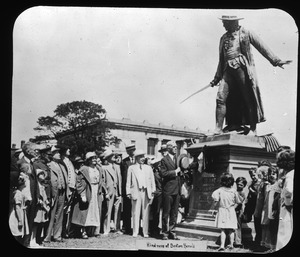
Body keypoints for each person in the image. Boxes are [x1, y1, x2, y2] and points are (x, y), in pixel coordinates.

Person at [210, 15, 292, 135]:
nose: (223, 25)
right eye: (223, 23)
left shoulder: (246, 33)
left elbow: (261, 46)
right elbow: (222, 60)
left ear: (233, 22)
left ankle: (253, 129)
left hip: (242, 67)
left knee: (249, 97)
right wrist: (216, 78)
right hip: (227, 70)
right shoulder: (223, 38)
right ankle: (218, 129)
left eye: (225, 23)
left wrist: (275, 60)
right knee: (220, 98)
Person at [71, 152, 106, 239]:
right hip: (88, 191)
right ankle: (83, 231)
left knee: (95, 211)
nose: (94, 160)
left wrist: (102, 193)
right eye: (92, 158)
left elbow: (101, 182)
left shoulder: (99, 169)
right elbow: (79, 182)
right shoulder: (84, 169)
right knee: (85, 211)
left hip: (96, 191)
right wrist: (82, 194)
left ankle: (93, 231)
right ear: (88, 160)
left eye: (95, 158)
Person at [126, 149, 156, 237]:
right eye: (140, 157)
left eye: (143, 157)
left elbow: (152, 180)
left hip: (146, 191)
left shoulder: (148, 168)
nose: (142, 159)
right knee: (135, 212)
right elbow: (128, 181)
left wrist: (153, 191)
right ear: (136, 158)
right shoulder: (131, 168)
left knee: (146, 213)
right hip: (136, 191)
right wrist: (128, 192)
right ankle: (135, 231)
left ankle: (145, 232)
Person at [210, 172, 241, 251]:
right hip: (231, 211)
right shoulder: (234, 191)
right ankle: (231, 244)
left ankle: (222, 245)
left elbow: (215, 201)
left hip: (222, 210)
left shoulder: (219, 191)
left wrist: (213, 209)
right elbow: (238, 202)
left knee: (223, 229)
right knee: (231, 229)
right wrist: (233, 208)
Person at [43, 145, 68, 243]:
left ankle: (57, 235)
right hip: (54, 192)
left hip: (62, 191)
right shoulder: (49, 165)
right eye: (56, 153)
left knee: (60, 214)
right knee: (52, 214)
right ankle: (47, 236)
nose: (58, 154)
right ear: (52, 155)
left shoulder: (61, 165)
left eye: (59, 152)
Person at [17, 141, 38, 247]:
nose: (36, 151)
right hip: (24, 196)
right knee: (22, 220)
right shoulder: (20, 163)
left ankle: (27, 242)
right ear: (28, 150)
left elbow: (35, 182)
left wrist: (37, 196)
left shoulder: (32, 163)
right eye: (34, 149)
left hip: (32, 197)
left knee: (30, 219)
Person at [160, 141, 182, 240]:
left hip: (177, 190)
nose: (175, 149)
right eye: (173, 147)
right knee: (166, 213)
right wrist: (175, 172)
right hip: (168, 190)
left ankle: (172, 231)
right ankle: (165, 232)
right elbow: (163, 174)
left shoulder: (178, 159)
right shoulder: (164, 160)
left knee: (174, 213)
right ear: (168, 148)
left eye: (176, 147)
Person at [276, 149, 294, 250]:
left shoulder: (289, 176)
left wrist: (287, 203)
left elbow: (289, 191)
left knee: (285, 234)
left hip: (287, 210)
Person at [260, 166, 280, 251]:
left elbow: (277, 198)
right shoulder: (268, 185)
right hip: (268, 209)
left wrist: (275, 209)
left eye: (274, 173)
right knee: (268, 227)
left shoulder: (278, 184)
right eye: (270, 174)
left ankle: (274, 247)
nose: (271, 175)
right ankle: (269, 246)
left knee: (274, 229)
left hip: (275, 210)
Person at [253, 161, 271, 247]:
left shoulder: (268, 184)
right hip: (259, 208)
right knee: (258, 225)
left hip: (265, 208)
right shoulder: (260, 183)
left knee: (265, 227)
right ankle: (259, 241)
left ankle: (265, 243)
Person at [101, 149, 119, 235]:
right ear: (108, 158)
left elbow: (119, 180)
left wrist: (119, 192)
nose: (114, 157)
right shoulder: (104, 168)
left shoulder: (117, 167)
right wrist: (106, 192)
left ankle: (115, 227)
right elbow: (103, 181)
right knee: (107, 210)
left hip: (116, 191)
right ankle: (106, 228)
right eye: (112, 156)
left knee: (116, 210)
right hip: (109, 191)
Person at [9, 173, 30, 245]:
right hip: (17, 216)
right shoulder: (18, 194)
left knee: (18, 234)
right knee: (16, 233)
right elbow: (17, 207)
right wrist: (20, 221)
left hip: (20, 214)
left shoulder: (19, 193)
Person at [31, 169, 50, 246]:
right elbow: (38, 197)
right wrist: (43, 204)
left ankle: (37, 239)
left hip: (42, 208)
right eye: (41, 174)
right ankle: (32, 240)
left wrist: (47, 203)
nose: (43, 176)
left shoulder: (42, 185)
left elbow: (44, 196)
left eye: (43, 174)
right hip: (38, 208)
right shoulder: (37, 186)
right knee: (35, 224)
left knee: (40, 224)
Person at [120, 144, 136, 234]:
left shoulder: (138, 160)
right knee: (127, 209)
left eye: (132, 150)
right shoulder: (124, 162)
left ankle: (136, 227)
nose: (131, 152)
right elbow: (123, 176)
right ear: (127, 152)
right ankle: (127, 227)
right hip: (127, 188)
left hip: (136, 188)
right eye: (129, 151)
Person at [149, 158, 163, 238]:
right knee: (156, 212)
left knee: (159, 212)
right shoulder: (154, 173)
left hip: (161, 193)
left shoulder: (159, 172)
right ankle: (154, 229)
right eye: (158, 163)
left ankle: (156, 228)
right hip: (157, 194)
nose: (159, 164)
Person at [234, 176, 247, 247]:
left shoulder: (242, 193)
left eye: (241, 185)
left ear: (244, 186)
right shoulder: (235, 191)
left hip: (238, 211)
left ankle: (238, 241)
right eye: (238, 184)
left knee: (238, 226)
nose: (239, 186)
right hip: (234, 210)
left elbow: (239, 202)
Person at [112, 151, 123, 234]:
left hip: (119, 192)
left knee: (117, 210)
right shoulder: (112, 166)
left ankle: (117, 227)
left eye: (119, 157)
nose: (118, 159)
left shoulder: (120, 166)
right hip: (112, 191)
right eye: (116, 157)